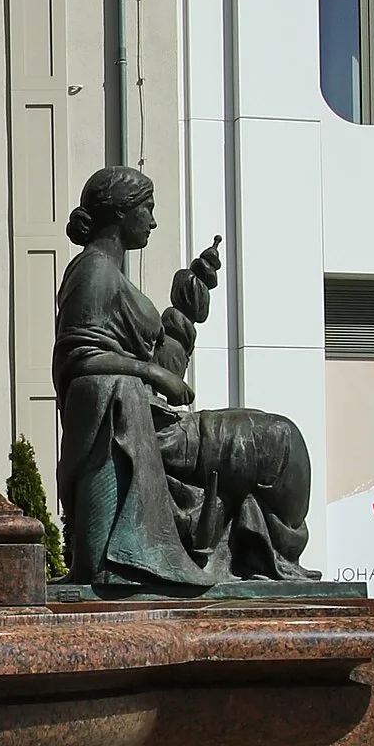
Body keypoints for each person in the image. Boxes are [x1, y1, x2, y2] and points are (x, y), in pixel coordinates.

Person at [52, 167, 315, 592]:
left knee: (278, 438)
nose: (153, 221)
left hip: (150, 421)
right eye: (147, 209)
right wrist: (150, 371)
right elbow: (79, 362)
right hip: (138, 432)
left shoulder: (109, 274)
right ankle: (271, 559)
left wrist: (184, 309)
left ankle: (266, 558)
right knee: (280, 440)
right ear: (120, 214)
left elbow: (160, 372)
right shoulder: (93, 273)